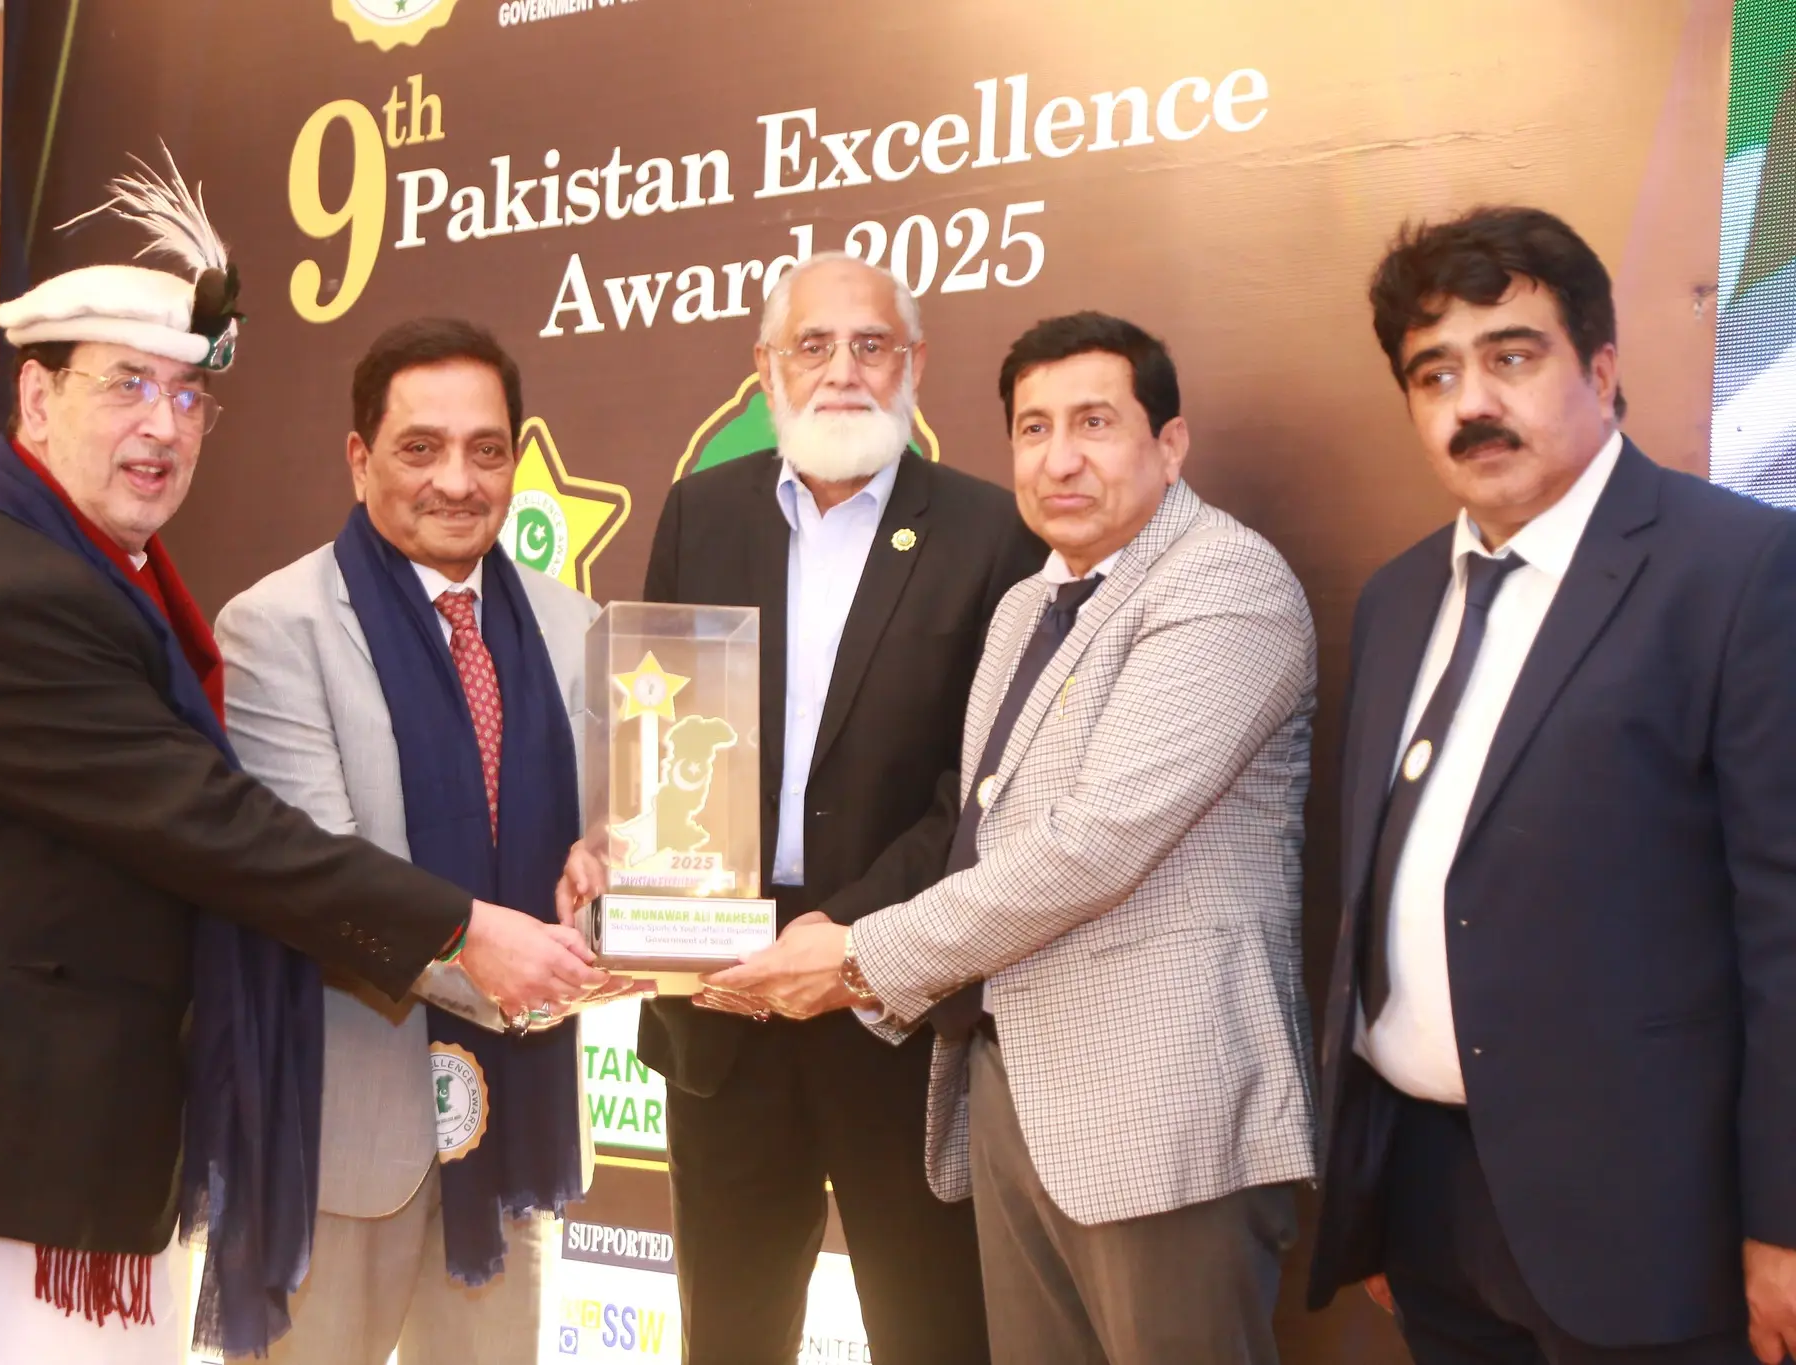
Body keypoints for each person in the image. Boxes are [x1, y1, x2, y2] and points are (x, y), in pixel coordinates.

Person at [0, 154, 598, 1365]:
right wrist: (466, 930)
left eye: (190, 394)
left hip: (15, 1135)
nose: (163, 423)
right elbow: (215, 828)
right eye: (127, 386)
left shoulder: (94, 574)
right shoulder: (6, 594)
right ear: (35, 400)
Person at [713, 311, 1319, 1365]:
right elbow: (983, 832)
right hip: (1008, 1101)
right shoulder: (1028, 605)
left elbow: (1092, 846)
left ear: (1169, 443)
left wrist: (858, 956)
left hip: (1160, 1118)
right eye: (1033, 429)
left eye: (1095, 423)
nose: (1059, 458)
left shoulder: (1223, 583)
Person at [1305, 206, 1796, 1365]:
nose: (1470, 402)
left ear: (1601, 369)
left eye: (1511, 357)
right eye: (1433, 374)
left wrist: (1782, 1222)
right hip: (1422, 1197)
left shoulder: (1736, 570)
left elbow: (1785, 928)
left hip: (1648, 1221)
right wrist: (1371, 1186)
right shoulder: (1395, 598)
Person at [566, 252, 1043, 1365]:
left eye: (870, 345)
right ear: (766, 367)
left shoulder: (988, 531)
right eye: (812, 345)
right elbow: (662, 724)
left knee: (934, 1335)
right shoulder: (700, 511)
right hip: (720, 1004)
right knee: (729, 1339)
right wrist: (621, 844)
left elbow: (979, 788)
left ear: (913, 363)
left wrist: (844, 938)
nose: (842, 371)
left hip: (892, 1004)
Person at [217, 317, 628, 1364]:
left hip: (519, 1129)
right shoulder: (275, 627)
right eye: (420, 448)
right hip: (344, 1140)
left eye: (485, 449)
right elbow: (320, 881)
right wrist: (498, 955)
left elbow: (607, 835)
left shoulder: (574, 625)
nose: (457, 480)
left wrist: (603, 882)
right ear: (360, 460)